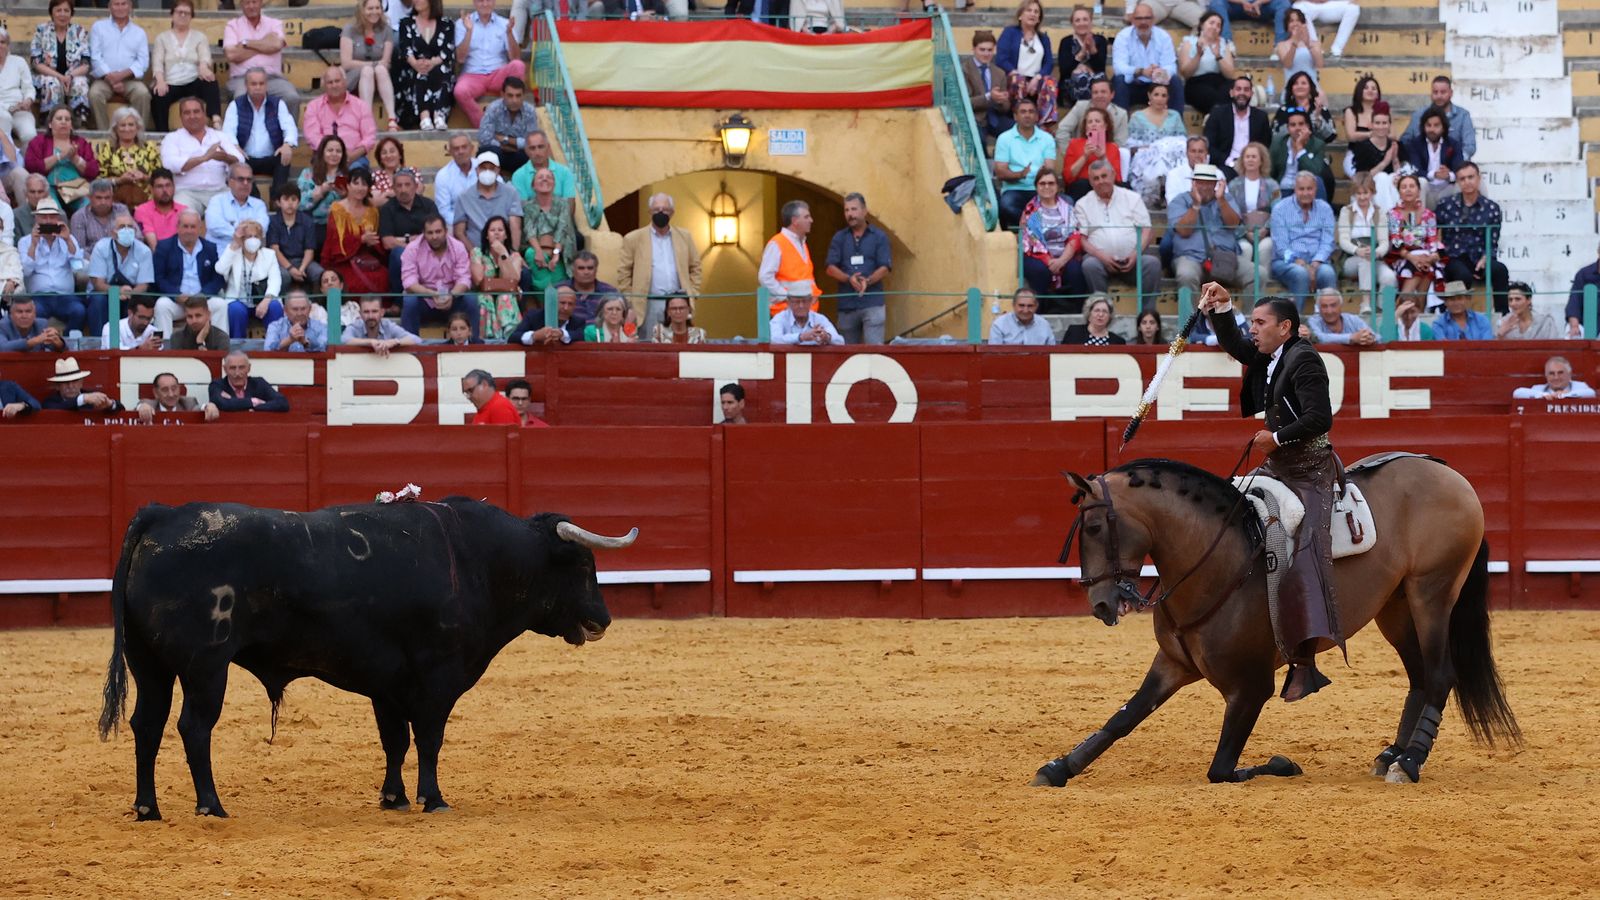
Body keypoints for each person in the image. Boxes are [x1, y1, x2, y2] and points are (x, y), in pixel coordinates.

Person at [1199, 284, 1338, 702]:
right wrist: (1223, 306)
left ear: (1285, 327)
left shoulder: (1305, 358)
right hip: (1280, 466)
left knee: (1305, 548)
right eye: (1253, 322)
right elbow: (1239, 347)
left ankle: (1306, 660)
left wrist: (1276, 436)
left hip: (1311, 471)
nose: (1253, 329)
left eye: (1260, 323)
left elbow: (1320, 417)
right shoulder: (1274, 354)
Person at [1075, 160, 1160, 309]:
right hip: (1100, 261)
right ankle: (1101, 310)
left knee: (1152, 264)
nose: (1101, 181)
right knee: (1089, 264)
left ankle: (1147, 314)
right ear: (1090, 181)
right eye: (1096, 178)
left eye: (1104, 176)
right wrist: (1102, 256)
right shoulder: (1082, 203)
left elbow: (1147, 229)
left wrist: (1135, 254)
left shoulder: (1132, 197)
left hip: (1132, 260)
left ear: (1113, 175)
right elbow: (1082, 239)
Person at [619, 191, 702, 340]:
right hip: (648, 303)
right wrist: (631, 301)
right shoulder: (633, 238)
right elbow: (624, 272)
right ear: (650, 211)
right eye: (656, 210)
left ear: (672, 213)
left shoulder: (685, 236)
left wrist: (692, 294)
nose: (661, 213)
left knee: (678, 345)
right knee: (649, 345)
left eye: (665, 210)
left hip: (678, 303)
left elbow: (695, 267)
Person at [1435, 162, 1506, 313]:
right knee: (1461, 274)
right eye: (1462, 179)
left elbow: (1493, 240)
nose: (1467, 182)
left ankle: (1503, 316)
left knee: (1500, 270)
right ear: (1458, 182)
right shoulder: (1445, 205)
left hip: (1481, 257)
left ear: (1479, 179)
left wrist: (1486, 257)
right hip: (1454, 257)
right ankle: (1457, 317)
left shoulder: (1492, 208)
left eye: (1471, 177)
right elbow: (1435, 234)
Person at [822, 193, 891, 345]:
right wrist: (849, 279)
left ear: (865, 211)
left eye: (854, 209)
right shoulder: (839, 238)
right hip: (847, 305)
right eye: (847, 210)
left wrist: (868, 280)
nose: (850, 214)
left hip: (873, 302)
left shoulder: (879, 236)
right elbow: (830, 268)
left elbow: (885, 267)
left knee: (874, 352)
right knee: (847, 355)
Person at [1168, 163, 1244, 301]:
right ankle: (1191, 322)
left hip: (1223, 257)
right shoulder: (1179, 201)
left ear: (1215, 184)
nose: (1204, 187)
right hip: (1190, 256)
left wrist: (1221, 201)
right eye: (1200, 183)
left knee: (1258, 274)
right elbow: (1184, 231)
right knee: (1186, 275)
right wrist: (1196, 205)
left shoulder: (1226, 199)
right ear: (1193, 183)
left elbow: (1233, 224)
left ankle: (1254, 320)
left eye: (1209, 183)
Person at [1018, 171, 1087, 310]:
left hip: (1064, 255)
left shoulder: (1067, 209)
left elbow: (1074, 236)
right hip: (1037, 256)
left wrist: (1062, 260)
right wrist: (1049, 261)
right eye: (1042, 183)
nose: (1046, 187)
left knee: (1075, 271)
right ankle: (1040, 312)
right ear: (1036, 186)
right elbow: (1031, 239)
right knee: (1040, 271)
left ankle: (1077, 313)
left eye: (1051, 183)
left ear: (1058, 187)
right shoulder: (1031, 210)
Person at [152, 210, 228, 338]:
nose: (189, 230)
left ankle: (220, 348)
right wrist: (176, 295)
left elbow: (218, 278)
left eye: (193, 227)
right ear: (178, 227)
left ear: (199, 228)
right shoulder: (164, 247)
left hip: (203, 299)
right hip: (177, 301)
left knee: (220, 305)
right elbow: (159, 278)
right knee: (162, 305)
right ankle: (163, 350)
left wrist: (203, 295)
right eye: (185, 226)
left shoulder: (210, 248)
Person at [222, 67, 297, 194]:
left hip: (271, 157)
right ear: (246, 85)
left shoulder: (278, 104)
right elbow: (228, 132)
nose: (257, 87)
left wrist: (287, 144)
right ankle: (254, 198)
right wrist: (234, 146)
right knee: (235, 159)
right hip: (245, 158)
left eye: (261, 83)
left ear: (266, 85)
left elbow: (289, 126)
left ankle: (277, 199)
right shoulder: (236, 105)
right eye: (253, 84)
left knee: (284, 157)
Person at [453, 0, 527, 128]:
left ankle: (510, 117)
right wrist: (469, 31)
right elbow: (460, 58)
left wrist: (509, 33)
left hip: (498, 74)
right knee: (460, 91)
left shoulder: (504, 23)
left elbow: (515, 57)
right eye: (481, 1)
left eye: (489, 0)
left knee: (518, 66)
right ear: (474, 3)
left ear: (494, 2)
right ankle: (485, 126)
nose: (485, 4)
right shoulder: (462, 23)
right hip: (473, 75)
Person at [223, 0, 302, 118]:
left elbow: (276, 45)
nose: (251, 6)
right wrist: (264, 45)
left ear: (261, 3)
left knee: (292, 97)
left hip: (271, 78)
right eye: (247, 3)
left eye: (254, 2)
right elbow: (231, 55)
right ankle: (243, 136)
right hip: (242, 79)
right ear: (241, 5)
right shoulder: (233, 25)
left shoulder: (274, 23)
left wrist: (246, 43)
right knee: (241, 97)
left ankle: (287, 135)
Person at [19, 197, 87, 336]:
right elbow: (25, 272)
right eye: (44, 217)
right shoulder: (25, 242)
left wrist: (68, 240)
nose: (48, 221)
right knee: (33, 313)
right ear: (36, 218)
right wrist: (34, 244)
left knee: (79, 311)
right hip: (39, 296)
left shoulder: (69, 239)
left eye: (52, 217)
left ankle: (66, 345)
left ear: (58, 218)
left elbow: (78, 267)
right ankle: (40, 349)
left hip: (65, 296)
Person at [160, 97, 239, 216]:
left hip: (219, 191)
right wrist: (205, 157)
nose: (192, 116)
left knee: (234, 215)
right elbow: (170, 165)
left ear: (204, 114)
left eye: (196, 112)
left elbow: (239, 160)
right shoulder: (172, 138)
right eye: (187, 113)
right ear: (181, 117)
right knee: (184, 216)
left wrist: (225, 157)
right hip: (186, 193)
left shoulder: (220, 136)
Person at [401, 213, 475, 338]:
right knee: (410, 301)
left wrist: (451, 295)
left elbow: (464, 278)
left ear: (446, 231)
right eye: (430, 233)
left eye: (438, 231)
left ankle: (473, 345)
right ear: (423, 234)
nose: (434, 236)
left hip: (452, 299)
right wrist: (430, 293)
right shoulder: (412, 249)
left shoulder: (458, 247)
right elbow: (409, 282)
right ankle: (411, 348)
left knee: (471, 299)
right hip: (425, 300)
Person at [151, 0, 220, 132]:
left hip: (193, 79)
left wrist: (203, 67)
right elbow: (157, 62)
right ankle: (162, 132)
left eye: (187, 13)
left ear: (191, 17)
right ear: (172, 14)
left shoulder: (200, 36)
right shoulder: (162, 38)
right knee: (158, 95)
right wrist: (160, 81)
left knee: (210, 82)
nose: (183, 15)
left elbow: (204, 56)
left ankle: (216, 120)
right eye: (179, 12)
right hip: (171, 82)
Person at [1268, 172, 1335, 309]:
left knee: (1328, 273)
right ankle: (1295, 322)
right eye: (1301, 189)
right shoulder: (1280, 209)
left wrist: (1315, 263)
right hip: (1286, 262)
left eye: (1309, 189)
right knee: (1300, 274)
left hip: (1317, 262)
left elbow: (1328, 241)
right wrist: (1303, 265)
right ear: (1295, 189)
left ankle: (1327, 322)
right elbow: (1281, 246)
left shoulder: (1325, 208)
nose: (1306, 193)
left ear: (1315, 189)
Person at [322, 168, 388, 301]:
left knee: (383, 276)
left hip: (365, 259)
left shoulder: (372, 212)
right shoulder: (337, 210)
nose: (360, 188)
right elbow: (334, 242)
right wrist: (361, 239)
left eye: (364, 184)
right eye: (356, 183)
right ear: (348, 186)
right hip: (343, 260)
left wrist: (373, 242)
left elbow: (377, 243)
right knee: (353, 282)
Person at [86, 0, 150, 131]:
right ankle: (104, 134)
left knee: (143, 94)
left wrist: (121, 76)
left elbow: (143, 62)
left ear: (130, 7)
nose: (120, 7)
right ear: (109, 7)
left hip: (130, 79)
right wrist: (111, 78)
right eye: (116, 4)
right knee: (94, 94)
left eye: (124, 4)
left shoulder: (139, 32)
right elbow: (95, 57)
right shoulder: (99, 27)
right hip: (104, 79)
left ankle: (138, 134)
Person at [1335, 172, 1395, 309]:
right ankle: (1366, 303)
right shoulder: (1347, 211)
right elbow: (1343, 240)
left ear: (1372, 193)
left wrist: (1377, 252)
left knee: (1389, 276)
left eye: (1365, 193)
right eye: (1358, 193)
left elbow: (1384, 241)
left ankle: (1383, 309)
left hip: (1375, 256)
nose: (1362, 197)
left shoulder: (1380, 213)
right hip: (1351, 258)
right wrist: (1357, 250)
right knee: (1365, 261)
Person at [996, 0, 1059, 128]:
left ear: (1039, 18)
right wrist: (1016, 73)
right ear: (1020, 15)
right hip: (1014, 78)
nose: (1033, 14)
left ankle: (1045, 123)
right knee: (1017, 80)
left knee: (1050, 82)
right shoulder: (1010, 32)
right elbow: (1001, 59)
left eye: (1036, 12)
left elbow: (1048, 63)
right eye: (1029, 10)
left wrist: (1037, 77)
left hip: (1036, 80)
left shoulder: (1043, 38)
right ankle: (1020, 120)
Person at [1112, 4, 1186, 112]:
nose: (1143, 22)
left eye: (1147, 18)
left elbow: (1171, 66)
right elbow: (1118, 68)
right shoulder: (1123, 37)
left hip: (1157, 86)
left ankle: (1176, 125)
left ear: (1153, 20)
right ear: (1132, 20)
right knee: (1119, 80)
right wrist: (1141, 71)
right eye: (1139, 18)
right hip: (1132, 86)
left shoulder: (1163, 37)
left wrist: (1160, 72)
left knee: (1175, 80)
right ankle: (1120, 126)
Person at [395, 0, 455, 132]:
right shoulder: (406, 23)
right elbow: (405, 48)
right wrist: (415, 63)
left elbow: (447, 50)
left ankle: (439, 115)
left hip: (437, 65)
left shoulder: (446, 24)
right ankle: (424, 116)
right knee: (419, 73)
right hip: (413, 67)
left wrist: (432, 62)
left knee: (441, 70)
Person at [29, 0, 92, 126]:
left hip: (73, 75)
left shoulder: (79, 31)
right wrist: (60, 77)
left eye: (66, 11)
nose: (62, 14)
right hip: (47, 76)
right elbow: (36, 63)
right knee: (52, 83)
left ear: (71, 13)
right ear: (52, 13)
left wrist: (70, 76)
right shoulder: (41, 31)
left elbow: (86, 63)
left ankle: (78, 123)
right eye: (58, 10)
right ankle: (51, 122)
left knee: (80, 83)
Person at [1385, 174, 1444, 305]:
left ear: (1418, 190)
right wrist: (1413, 258)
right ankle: (1401, 309)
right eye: (1404, 187)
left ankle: (1417, 313)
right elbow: (1395, 241)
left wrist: (1429, 258)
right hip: (1402, 256)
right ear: (1399, 191)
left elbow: (1432, 240)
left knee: (1427, 268)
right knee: (1418, 268)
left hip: (1426, 257)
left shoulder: (1428, 214)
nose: (1408, 190)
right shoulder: (1393, 214)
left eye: (1412, 186)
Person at [26, 106, 98, 214]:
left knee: (87, 209)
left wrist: (75, 159)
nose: (63, 122)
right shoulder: (39, 141)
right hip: (50, 188)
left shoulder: (81, 143)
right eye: (59, 119)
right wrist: (59, 156)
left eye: (67, 119)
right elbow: (31, 166)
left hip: (76, 188)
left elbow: (93, 171)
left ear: (71, 125)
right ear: (50, 124)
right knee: (55, 211)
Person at [86, 212, 152, 330]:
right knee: (97, 301)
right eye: (122, 227)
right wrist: (116, 291)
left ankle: (129, 344)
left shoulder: (144, 251)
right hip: (105, 293)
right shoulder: (101, 247)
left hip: (131, 294)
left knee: (136, 304)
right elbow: (98, 283)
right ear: (112, 232)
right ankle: (100, 342)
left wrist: (129, 293)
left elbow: (144, 285)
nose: (127, 230)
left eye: (130, 227)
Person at [303, 67, 376, 170]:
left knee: (357, 174)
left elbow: (369, 137)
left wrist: (353, 155)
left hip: (354, 158)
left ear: (345, 82)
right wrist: (332, 153)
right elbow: (312, 136)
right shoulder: (313, 106)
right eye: (330, 82)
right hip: (324, 157)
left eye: (337, 81)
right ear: (324, 86)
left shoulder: (361, 106)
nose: (334, 85)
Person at [758, 200, 822, 317]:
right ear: (794, 221)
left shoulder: (802, 243)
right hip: (785, 314)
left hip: (805, 312)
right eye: (806, 217)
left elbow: (805, 277)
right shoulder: (777, 243)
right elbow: (765, 276)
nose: (811, 220)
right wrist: (787, 296)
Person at [218, 218, 281, 336]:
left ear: (261, 238)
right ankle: (237, 346)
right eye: (248, 236)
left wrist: (266, 300)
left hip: (263, 300)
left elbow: (275, 280)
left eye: (256, 236)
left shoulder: (269, 254)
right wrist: (235, 244)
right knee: (236, 310)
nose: (253, 240)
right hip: (239, 301)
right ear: (242, 239)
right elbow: (220, 269)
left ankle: (276, 347)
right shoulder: (233, 253)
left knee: (275, 306)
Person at [378, 167, 435, 295]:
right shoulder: (387, 209)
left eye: (407, 185)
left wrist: (400, 239)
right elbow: (387, 242)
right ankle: (399, 302)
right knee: (399, 254)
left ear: (415, 186)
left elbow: (436, 234)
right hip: (401, 254)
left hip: (427, 250)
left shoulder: (428, 205)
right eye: (399, 186)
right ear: (393, 189)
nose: (403, 189)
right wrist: (412, 242)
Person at [343, 0, 399, 132]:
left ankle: (392, 118)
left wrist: (377, 65)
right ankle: (366, 119)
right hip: (355, 76)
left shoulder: (386, 29)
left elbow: (386, 61)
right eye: (370, 8)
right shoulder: (350, 29)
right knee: (368, 70)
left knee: (380, 69)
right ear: (362, 10)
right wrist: (372, 64)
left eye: (377, 8)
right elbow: (346, 63)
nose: (374, 12)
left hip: (380, 76)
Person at [521, 167, 575, 296]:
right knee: (530, 253)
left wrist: (556, 255)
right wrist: (539, 252)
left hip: (560, 250)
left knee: (559, 268)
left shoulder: (563, 204)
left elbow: (562, 230)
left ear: (554, 184)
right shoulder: (528, 207)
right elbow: (530, 231)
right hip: (538, 248)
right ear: (533, 185)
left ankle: (555, 296)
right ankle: (543, 297)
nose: (545, 179)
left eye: (549, 177)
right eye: (540, 177)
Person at [1204, 74, 1270, 177]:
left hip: (1253, 166)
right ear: (1231, 93)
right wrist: (1230, 162)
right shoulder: (1218, 114)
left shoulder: (1261, 117)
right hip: (1225, 165)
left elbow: (1264, 147)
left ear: (1251, 94)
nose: (1242, 93)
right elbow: (1209, 145)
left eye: (1246, 90)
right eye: (1238, 89)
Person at [453, 152, 522, 250]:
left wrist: (513, 252)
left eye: (491, 168)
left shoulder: (511, 193)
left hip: (504, 252)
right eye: (483, 168)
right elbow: (459, 232)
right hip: (475, 253)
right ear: (477, 170)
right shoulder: (464, 197)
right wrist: (475, 254)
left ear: (498, 170)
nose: (487, 172)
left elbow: (515, 226)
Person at [95, 108, 161, 209]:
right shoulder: (107, 148)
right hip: (115, 200)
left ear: (137, 127)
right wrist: (119, 180)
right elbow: (98, 181)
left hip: (147, 199)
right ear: (115, 128)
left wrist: (143, 177)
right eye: (122, 125)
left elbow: (160, 178)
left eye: (131, 125)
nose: (127, 129)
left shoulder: (149, 147)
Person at [1400, 75, 1476, 161]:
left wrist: (1456, 162)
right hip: (1423, 167)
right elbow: (1405, 141)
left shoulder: (1462, 115)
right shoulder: (1418, 115)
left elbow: (1470, 146)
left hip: (1454, 168)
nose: (1439, 96)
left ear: (1451, 93)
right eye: (1435, 92)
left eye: (1443, 92)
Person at [470, 215, 522, 341]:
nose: (497, 233)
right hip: (483, 294)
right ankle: (487, 337)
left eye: (500, 230)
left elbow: (513, 281)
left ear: (506, 235)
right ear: (487, 235)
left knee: (504, 297)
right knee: (485, 298)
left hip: (507, 295)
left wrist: (503, 254)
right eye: (492, 230)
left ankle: (510, 335)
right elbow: (478, 279)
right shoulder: (477, 252)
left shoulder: (515, 256)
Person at [1400, 107, 1463, 209]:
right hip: (1426, 188)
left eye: (1436, 125)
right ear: (1423, 127)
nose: (1432, 129)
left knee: (1463, 184)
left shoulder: (1453, 144)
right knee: (1420, 182)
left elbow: (1460, 169)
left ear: (1443, 127)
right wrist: (1434, 174)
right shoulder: (1416, 144)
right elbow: (1415, 170)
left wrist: (1448, 175)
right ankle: (1419, 223)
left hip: (1447, 188)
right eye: (1428, 125)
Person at [477, 78, 541, 175]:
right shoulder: (493, 108)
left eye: (518, 96)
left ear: (524, 95)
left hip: (519, 155)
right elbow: (484, 139)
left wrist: (504, 139)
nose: (514, 100)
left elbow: (531, 142)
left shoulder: (530, 111)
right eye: (510, 96)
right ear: (502, 94)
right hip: (498, 152)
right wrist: (506, 147)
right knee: (486, 152)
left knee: (531, 155)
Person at [1344, 101, 1399, 209]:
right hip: (1370, 188)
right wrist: (1384, 163)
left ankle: (1398, 217)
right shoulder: (1362, 147)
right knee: (1382, 177)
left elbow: (1400, 171)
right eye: (1377, 123)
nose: (1381, 127)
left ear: (1389, 125)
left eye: (1384, 123)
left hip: (1392, 188)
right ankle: (1387, 216)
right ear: (1371, 125)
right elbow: (1362, 178)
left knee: (1394, 178)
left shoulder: (1395, 145)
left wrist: (1395, 160)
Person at [1269, 108, 1333, 202]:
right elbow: (1269, 172)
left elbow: (1316, 171)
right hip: (1283, 188)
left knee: (1318, 181)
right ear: (1288, 128)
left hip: (1306, 189)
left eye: (1301, 124)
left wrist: (1300, 148)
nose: (1297, 128)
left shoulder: (1317, 144)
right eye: (1293, 125)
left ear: (1307, 126)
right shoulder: (1278, 143)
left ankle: (1319, 214)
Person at [296, 136, 350, 247]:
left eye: (338, 151)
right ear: (322, 153)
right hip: (314, 224)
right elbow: (299, 204)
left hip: (340, 224)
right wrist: (320, 192)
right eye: (330, 150)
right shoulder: (308, 174)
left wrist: (346, 197)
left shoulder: (348, 176)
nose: (334, 154)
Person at [269, 183, 322, 290]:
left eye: (293, 199)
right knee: (284, 276)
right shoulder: (273, 222)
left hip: (303, 261)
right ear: (279, 202)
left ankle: (317, 304)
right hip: (281, 262)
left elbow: (309, 250)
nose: (290, 203)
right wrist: (290, 269)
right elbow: (274, 249)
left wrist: (301, 269)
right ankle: (281, 304)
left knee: (319, 273)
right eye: (286, 199)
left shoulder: (307, 221)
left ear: (298, 202)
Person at [205, 163, 270, 251]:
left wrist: (238, 231)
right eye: (241, 179)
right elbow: (214, 226)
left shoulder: (259, 205)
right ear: (230, 182)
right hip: (220, 255)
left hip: (249, 256)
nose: (245, 183)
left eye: (249, 180)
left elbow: (262, 229)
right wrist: (247, 232)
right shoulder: (217, 201)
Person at [1060, 108, 1123, 198]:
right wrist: (1085, 156)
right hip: (1081, 190)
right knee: (1082, 184)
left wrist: (1103, 158)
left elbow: (1117, 180)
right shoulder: (1074, 144)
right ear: (1086, 128)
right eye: (1090, 122)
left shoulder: (1113, 148)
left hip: (1106, 189)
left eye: (1097, 121)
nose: (1093, 124)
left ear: (1105, 126)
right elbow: (1067, 177)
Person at [966, 31, 1014, 147]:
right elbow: (966, 102)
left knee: (1019, 132)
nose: (986, 54)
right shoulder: (964, 70)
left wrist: (1001, 101)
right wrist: (989, 97)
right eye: (982, 50)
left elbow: (1005, 108)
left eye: (990, 50)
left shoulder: (999, 73)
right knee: (979, 142)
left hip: (996, 117)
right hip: (974, 118)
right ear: (973, 49)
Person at [509, 131, 577, 204]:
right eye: (532, 148)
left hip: (562, 215)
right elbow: (522, 208)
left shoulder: (564, 172)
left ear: (548, 147)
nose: (537, 152)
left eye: (541, 147)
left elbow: (570, 204)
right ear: (526, 151)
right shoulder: (518, 176)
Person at [211, 350, 289, 413]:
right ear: (225, 369)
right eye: (232, 368)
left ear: (249, 368)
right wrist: (253, 401)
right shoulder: (217, 385)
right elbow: (223, 404)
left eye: (241, 367)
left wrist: (257, 408)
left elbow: (282, 403)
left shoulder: (259, 383)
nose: (237, 373)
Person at [1271, 71, 1336, 144]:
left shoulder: (1320, 109)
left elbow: (1330, 136)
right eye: (1296, 83)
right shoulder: (1283, 111)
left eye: (1303, 83)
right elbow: (1275, 135)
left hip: (1315, 151)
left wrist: (1318, 119)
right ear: (1291, 88)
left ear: (1310, 87)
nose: (1300, 86)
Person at [345, 294, 421, 355]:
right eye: (366, 312)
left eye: (374, 311)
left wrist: (393, 342)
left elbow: (416, 340)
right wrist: (370, 342)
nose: (370, 316)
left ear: (382, 312)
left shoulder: (388, 325)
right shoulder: (356, 326)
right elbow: (343, 340)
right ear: (360, 313)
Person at [42, 355, 123, 413]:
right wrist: (83, 399)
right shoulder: (50, 402)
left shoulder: (91, 396)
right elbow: (57, 408)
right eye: (65, 383)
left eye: (75, 381)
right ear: (57, 386)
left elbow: (121, 409)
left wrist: (109, 404)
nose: (71, 386)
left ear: (81, 383)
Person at [560, 250, 618, 328]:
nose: (586, 272)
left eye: (590, 268)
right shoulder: (559, 290)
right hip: (569, 337)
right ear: (573, 270)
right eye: (581, 268)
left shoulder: (610, 291)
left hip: (602, 336)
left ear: (596, 270)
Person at [510, 284, 583, 346]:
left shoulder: (578, 322)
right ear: (552, 303)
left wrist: (562, 334)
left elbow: (580, 336)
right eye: (562, 303)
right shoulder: (533, 317)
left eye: (570, 304)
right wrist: (535, 336)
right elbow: (513, 338)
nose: (566, 308)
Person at [69, 179, 128, 254]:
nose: (103, 202)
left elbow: (138, 237)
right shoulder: (79, 217)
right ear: (89, 198)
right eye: (98, 198)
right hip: (91, 260)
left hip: (121, 257)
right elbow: (78, 250)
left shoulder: (121, 210)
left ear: (112, 197)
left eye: (107, 198)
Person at [0, 29, 37, 146]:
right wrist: (9, 108)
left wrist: (28, 100)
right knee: (4, 118)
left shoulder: (19, 62)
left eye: (2, 42)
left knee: (30, 134)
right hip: (2, 111)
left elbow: (28, 87)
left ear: (8, 45)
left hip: (20, 110)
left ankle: (25, 163)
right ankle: (8, 163)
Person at [1303, 287, 1377, 345]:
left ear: (1341, 306)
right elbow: (1319, 338)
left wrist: (1370, 338)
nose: (1329, 311)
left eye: (1333, 305)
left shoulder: (1353, 320)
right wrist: (1352, 338)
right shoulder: (1313, 321)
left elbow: (1378, 338)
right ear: (1318, 308)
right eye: (1324, 306)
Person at [136, 371, 220, 422]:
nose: (171, 394)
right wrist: (142, 407)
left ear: (179, 388)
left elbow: (198, 408)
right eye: (165, 390)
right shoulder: (151, 405)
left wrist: (209, 406)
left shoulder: (187, 403)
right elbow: (143, 404)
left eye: (174, 388)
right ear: (156, 393)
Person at [434, 134, 477, 230]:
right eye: (456, 149)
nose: (460, 152)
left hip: (485, 221)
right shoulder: (443, 176)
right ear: (450, 152)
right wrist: (464, 223)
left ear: (472, 148)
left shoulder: (483, 167)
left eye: (464, 147)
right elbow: (444, 211)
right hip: (457, 224)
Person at [1125, 83, 1186, 150]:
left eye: (1164, 96)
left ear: (1168, 98)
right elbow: (1131, 144)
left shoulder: (1174, 116)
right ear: (1149, 95)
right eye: (1156, 95)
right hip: (1145, 155)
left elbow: (1182, 141)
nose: (1160, 99)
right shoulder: (1137, 117)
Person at [770, 290, 842, 345]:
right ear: (789, 303)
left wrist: (827, 337)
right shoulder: (780, 318)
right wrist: (800, 337)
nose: (801, 306)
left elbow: (840, 341)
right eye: (797, 302)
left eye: (805, 302)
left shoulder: (820, 319)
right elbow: (774, 339)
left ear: (811, 302)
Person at [988, 287, 1056, 345]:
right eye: (1021, 305)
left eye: (1030, 306)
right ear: (1013, 305)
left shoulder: (1044, 325)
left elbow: (1052, 353)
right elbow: (992, 354)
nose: (1025, 310)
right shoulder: (999, 325)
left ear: (1036, 306)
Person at [1294, 0, 1361, 58]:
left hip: (1328, 4)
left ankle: (1336, 50)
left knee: (1353, 8)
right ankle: (1316, 48)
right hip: (1308, 4)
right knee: (1297, 8)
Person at [1495, 282, 1561, 341]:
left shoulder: (1545, 322)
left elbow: (1555, 347)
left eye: (1517, 299)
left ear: (1528, 300)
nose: (1513, 303)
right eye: (1510, 300)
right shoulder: (1504, 322)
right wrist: (1500, 334)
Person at [1274, 7, 1321, 89]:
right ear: (1287, 26)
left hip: (1312, 88)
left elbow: (1319, 64)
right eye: (1291, 21)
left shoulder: (1315, 43)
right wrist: (1294, 44)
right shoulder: (1281, 45)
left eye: (1298, 20)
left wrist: (1308, 45)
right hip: (1292, 89)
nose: (1295, 24)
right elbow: (1288, 64)